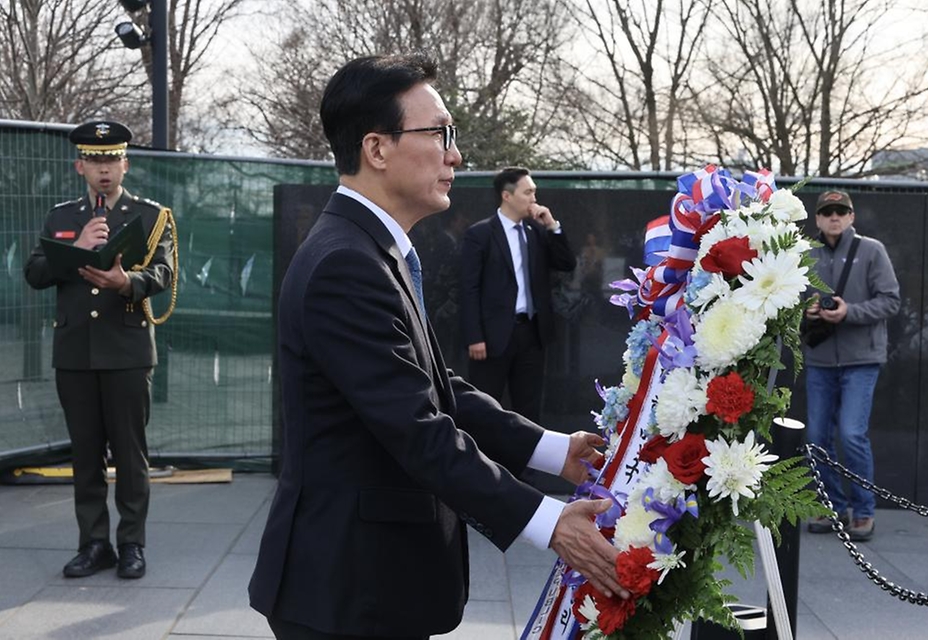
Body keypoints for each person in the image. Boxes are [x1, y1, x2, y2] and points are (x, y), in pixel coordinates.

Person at [247, 55, 625, 640]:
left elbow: (435, 386)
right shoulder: (346, 262)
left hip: (370, 583)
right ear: (377, 149)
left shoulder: (370, 249)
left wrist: (556, 450)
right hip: (346, 590)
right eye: (440, 134)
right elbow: (418, 427)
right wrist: (549, 521)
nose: (456, 155)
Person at [24, 120, 176, 579]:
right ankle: (94, 543)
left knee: (131, 455)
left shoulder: (152, 216)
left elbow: (165, 273)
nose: (104, 169)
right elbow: (34, 273)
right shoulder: (62, 217)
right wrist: (78, 249)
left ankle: (131, 543)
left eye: (112, 159)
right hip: (74, 352)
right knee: (85, 453)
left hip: (127, 349)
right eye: (95, 160)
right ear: (80, 166)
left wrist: (127, 281)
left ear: (125, 163)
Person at [803, 190, 900, 541]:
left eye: (841, 211)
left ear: (851, 217)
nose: (834, 217)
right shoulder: (806, 255)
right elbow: (792, 302)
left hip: (862, 359)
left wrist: (849, 312)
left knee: (851, 434)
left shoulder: (871, 250)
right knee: (816, 437)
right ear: (817, 219)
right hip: (820, 358)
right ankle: (831, 508)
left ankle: (863, 512)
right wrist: (809, 310)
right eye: (827, 212)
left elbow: (891, 301)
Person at [459, 167, 576, 422]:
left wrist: (553, 226)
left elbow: (566, 263)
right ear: (507, 196)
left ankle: (525, 462)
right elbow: (469, 288)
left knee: (529, 409)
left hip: (531, 334)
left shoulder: (536, 232)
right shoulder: (480, 234)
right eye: (528, 192)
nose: (534, 198)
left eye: (534, 192)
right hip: (492, 337)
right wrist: (474, 337)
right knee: (484, 407)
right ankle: (481, 460)